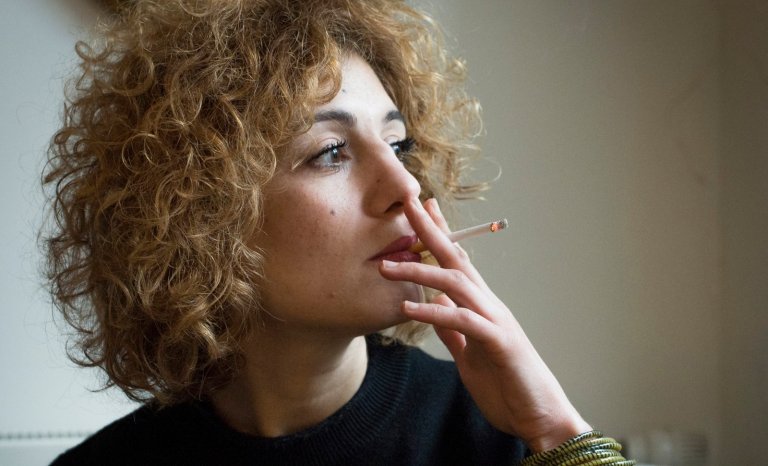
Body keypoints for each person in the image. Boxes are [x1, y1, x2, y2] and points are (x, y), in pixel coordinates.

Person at [43, 0, 634, 464]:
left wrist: (557, 433)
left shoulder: (503, 436)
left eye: (397, 144)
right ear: (200, 211)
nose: (406, 186)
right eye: (331, 152)